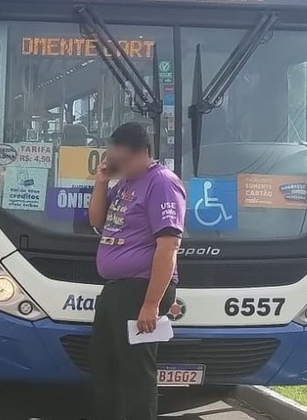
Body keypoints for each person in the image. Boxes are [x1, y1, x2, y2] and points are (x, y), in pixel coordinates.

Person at [87, 122, 185, 420]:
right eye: (116, 161)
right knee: (104, 364)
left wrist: (151, 305)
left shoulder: (162, 183)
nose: (121, 166)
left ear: (144, 152)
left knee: (136, 373)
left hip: (140, 289)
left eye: (125, 160)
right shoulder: (127, 183)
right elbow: (98, 221)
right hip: (117, 289)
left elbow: (168, 247)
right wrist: (102, 181)